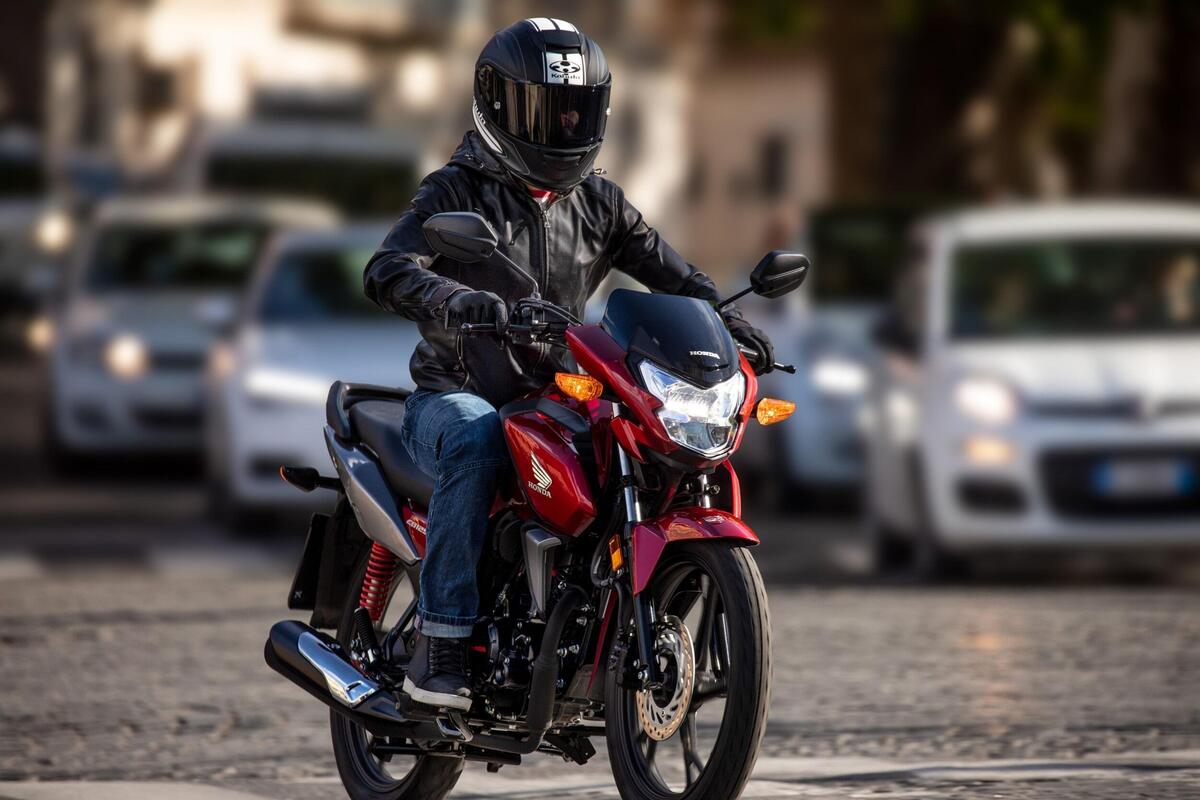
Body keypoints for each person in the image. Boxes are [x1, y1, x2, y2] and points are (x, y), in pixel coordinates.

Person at [363, 17, 774, 711]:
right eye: (547, 111)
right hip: (458, 394)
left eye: (577, 110)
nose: (564, 126)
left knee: (635, 445)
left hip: (559, 394)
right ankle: (443, 643)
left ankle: (596, 624)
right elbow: (387, 270)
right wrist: (457, 300)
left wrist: (731, 325)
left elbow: (678, 280)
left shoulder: (599, 203)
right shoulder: (455, 190)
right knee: (478, 438)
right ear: (497, 105)